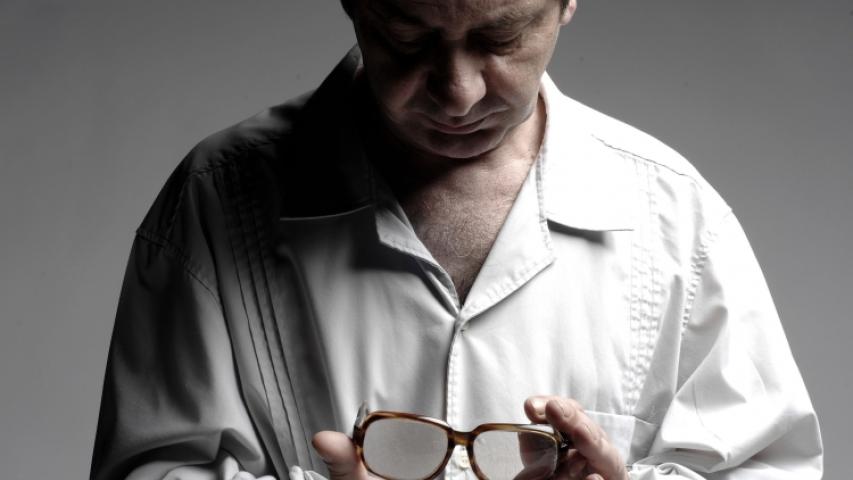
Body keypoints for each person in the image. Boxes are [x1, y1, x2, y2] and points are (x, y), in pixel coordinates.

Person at [90, 0, 823, 479]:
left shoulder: (674, 213)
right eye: (407, 38)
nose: (458, 92)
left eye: (500, 38)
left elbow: (769, 467)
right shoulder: (218, 196)